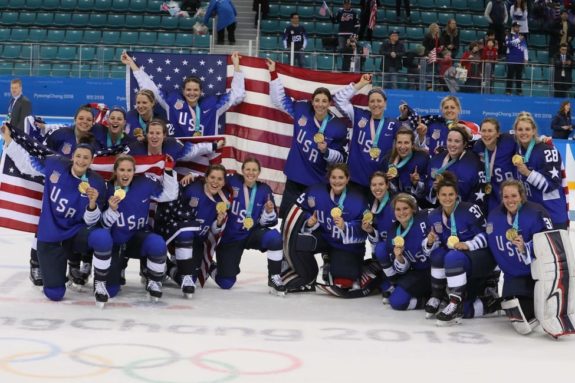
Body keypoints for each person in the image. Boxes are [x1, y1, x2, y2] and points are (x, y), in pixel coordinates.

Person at [2, 126, 113, 305]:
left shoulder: (97, 183)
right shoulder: (55, 165)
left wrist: (92, 204)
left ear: (91, 160)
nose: (81, 160)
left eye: (86, 158)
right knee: (55, 293)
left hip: (76, 233)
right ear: (72, 157)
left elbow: (91, 221)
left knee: (102, 237)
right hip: (51, 235)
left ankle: (100, 283)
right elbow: (26, 164)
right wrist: (8, 139)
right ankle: (52, 267)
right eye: (78, 156)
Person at [267, 59, 347, 219]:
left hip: (316, 183)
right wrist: (273, 73)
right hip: (294, 178)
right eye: (317, 100)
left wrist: (326, 151)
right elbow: (279, 100)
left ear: (330, 103)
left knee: (311, 223)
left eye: (324, 101)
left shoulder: (338, 126)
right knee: (286, 220)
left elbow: (342, 158)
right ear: (312, 101)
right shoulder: (301, 110)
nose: (320, 104)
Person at [423, 171, 498, 326]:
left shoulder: (470, 210)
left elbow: (487, 236)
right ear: (437, 196)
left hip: (479, 257)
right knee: (437, 254)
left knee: (452, 257)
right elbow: (434, 247)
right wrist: (430, 242)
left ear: (457, 195)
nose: (447, 198)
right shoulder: (433, 216)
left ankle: (455, 304)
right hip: (458, 261)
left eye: (451, 194)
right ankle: (437, 295)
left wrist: (469, 244)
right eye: (443, 195)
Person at [100, 154, 178, 302]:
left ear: (134, 172)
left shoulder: (144, 184)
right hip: (114, 242)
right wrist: (111, 210)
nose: (125, 173)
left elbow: (170, 195)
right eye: (122, 170)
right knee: (111, 291)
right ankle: (117, 269)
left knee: (157, 243)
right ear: (115, 171)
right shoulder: (106, 189)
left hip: (137, 237)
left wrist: (168, 171)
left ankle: (155, 280)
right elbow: (102, 225)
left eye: (129, 170)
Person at [121, 51, 245, 138]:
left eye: (195, 90)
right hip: (178, 156)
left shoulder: (213, 105)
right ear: (183, 91)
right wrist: (132, 65)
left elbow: (237, 95)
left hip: (204, 158)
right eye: (188, 90)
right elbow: (150, 89)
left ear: (201, 91)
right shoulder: (172, 102)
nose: (192, 93)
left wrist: (236, 66)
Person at [486, 180, 553, 335]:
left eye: (514, 195)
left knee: (533, 310)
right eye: (506, 196)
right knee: (515, 306)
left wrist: (526, 247)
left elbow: (550, 246)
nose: (510, 200)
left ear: (522, 195)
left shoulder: (537, 213)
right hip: (513, 277)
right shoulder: (495, 216)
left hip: (538, 276)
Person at [155, 164, 232, 297]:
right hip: (181, 237)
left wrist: (219, 222)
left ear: (224, 182)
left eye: (220, 179)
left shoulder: (225, 198)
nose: (215, 182)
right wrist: (194, 175)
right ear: (206, 178)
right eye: (212, 177)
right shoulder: (191, 188)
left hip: (198, 242)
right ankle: (170, 264)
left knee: (197, 279)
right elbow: (173, 206)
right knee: (187, 276)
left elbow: (214, 232)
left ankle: (200, 264)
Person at [211, 158, 285, 294]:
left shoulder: (264, 189)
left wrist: (269, 212)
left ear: (259, 172)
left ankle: (274, 277)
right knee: (226, 283)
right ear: (242, 170)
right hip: (230, 237)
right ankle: (211, 267)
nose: (251, 173)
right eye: (248, 169)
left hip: (252, 233)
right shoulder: (232, 181)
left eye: (254, 170)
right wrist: (194, 176)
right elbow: (213, 180)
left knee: (275, 238)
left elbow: (267, 222)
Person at [296, 163, 368, 291]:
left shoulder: (358, 199)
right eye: (333, 177)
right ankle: (308, 276)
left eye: (341, 177)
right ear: (329, 178)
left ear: (347, 178)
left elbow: (363, 231)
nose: (337, 181)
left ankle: (332, 262)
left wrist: (346, 227)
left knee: (343, 283)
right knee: (300, 242)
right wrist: (308, 221)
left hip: (344, 246)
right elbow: (298, 210)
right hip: (323, 238)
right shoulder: (315, 191)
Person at [333, 74, 399, 192]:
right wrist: (360, 84)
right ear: (368, 103)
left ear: (385, 104)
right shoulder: (359, 116)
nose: (375, 104)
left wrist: (394, 166)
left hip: (379, 183)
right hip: (355, 180)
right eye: (372, 101)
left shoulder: (393, 124)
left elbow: (403, 148)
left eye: (379, 101)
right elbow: (338, 100)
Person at [512, 112, 569, 229]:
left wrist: (527, 173)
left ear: (534, 131)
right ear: (515, 132)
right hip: (534, 216)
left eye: (527, 129)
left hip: (553, 214)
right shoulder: (519, 150)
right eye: (520, 129)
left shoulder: (547, 150)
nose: (523, 133)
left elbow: (551, 185)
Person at [376, 193, 430, 310]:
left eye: (405, 208)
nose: (402, 213)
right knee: (396, 302)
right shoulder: (393, 234)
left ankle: (439, 294)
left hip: (437, 270)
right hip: (418, 273)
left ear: (413, 209)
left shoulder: (426, 218)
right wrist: (399, 257)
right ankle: (429, 300)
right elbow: (402, 269)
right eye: (398, 209)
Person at [426, 126, 483, 205]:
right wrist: (434, 188)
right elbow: (429, 181)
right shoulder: (436, 159)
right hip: (440, 209)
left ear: (464, 144)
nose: (452, 144)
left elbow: (476, 193)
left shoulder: (473, 163)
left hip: (463, 210)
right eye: (449, 140)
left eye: (457, 141)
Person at [124, 119, 223, 162]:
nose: (154, 136)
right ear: (146, 134)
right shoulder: (134, 149)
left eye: (158, 133)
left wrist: (214, 146)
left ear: (164, 135)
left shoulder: (173, 146)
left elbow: (193, 151)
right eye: (151, 133)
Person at [472, 118, 516, 212]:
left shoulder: (509, 140)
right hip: (494, 195)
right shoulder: (478, 146)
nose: (486, 134)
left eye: (490, 131)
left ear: (497, 133)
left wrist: (543, 139)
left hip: (513, 194)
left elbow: (525, 138)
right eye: (483, 131)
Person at [412, 95, 479, 154]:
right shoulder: (432, 125)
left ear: (458, 109)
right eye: (446, 107)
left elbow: (482, 139)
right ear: (442, 110)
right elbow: (420, 147)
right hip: (435, 166)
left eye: (452, 107)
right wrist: (421, 136)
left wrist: (470, 135)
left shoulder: (468, 126)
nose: (449, 110)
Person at [382, 127, 428, 204]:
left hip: (417, 205)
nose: (402, 146)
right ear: (395, 143)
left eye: (406, 143)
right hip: (395, 205)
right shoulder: (387, 161)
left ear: (412, 144)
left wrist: (416, 183)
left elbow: (427, 193)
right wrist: (387, 181)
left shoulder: (422, 159)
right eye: (399, 142)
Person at [505, 22, 528, 96]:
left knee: (519, 76)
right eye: (516, 27)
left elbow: (525, 48)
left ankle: (519, 91)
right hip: (511, 59)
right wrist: (518, 40)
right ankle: (508, 91)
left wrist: (526, 58)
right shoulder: (509, 35)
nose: (517, 28)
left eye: (518, 27)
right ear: (513, 27)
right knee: (510, 75)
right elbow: (508, 44)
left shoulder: (522, 37)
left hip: (520, 60)